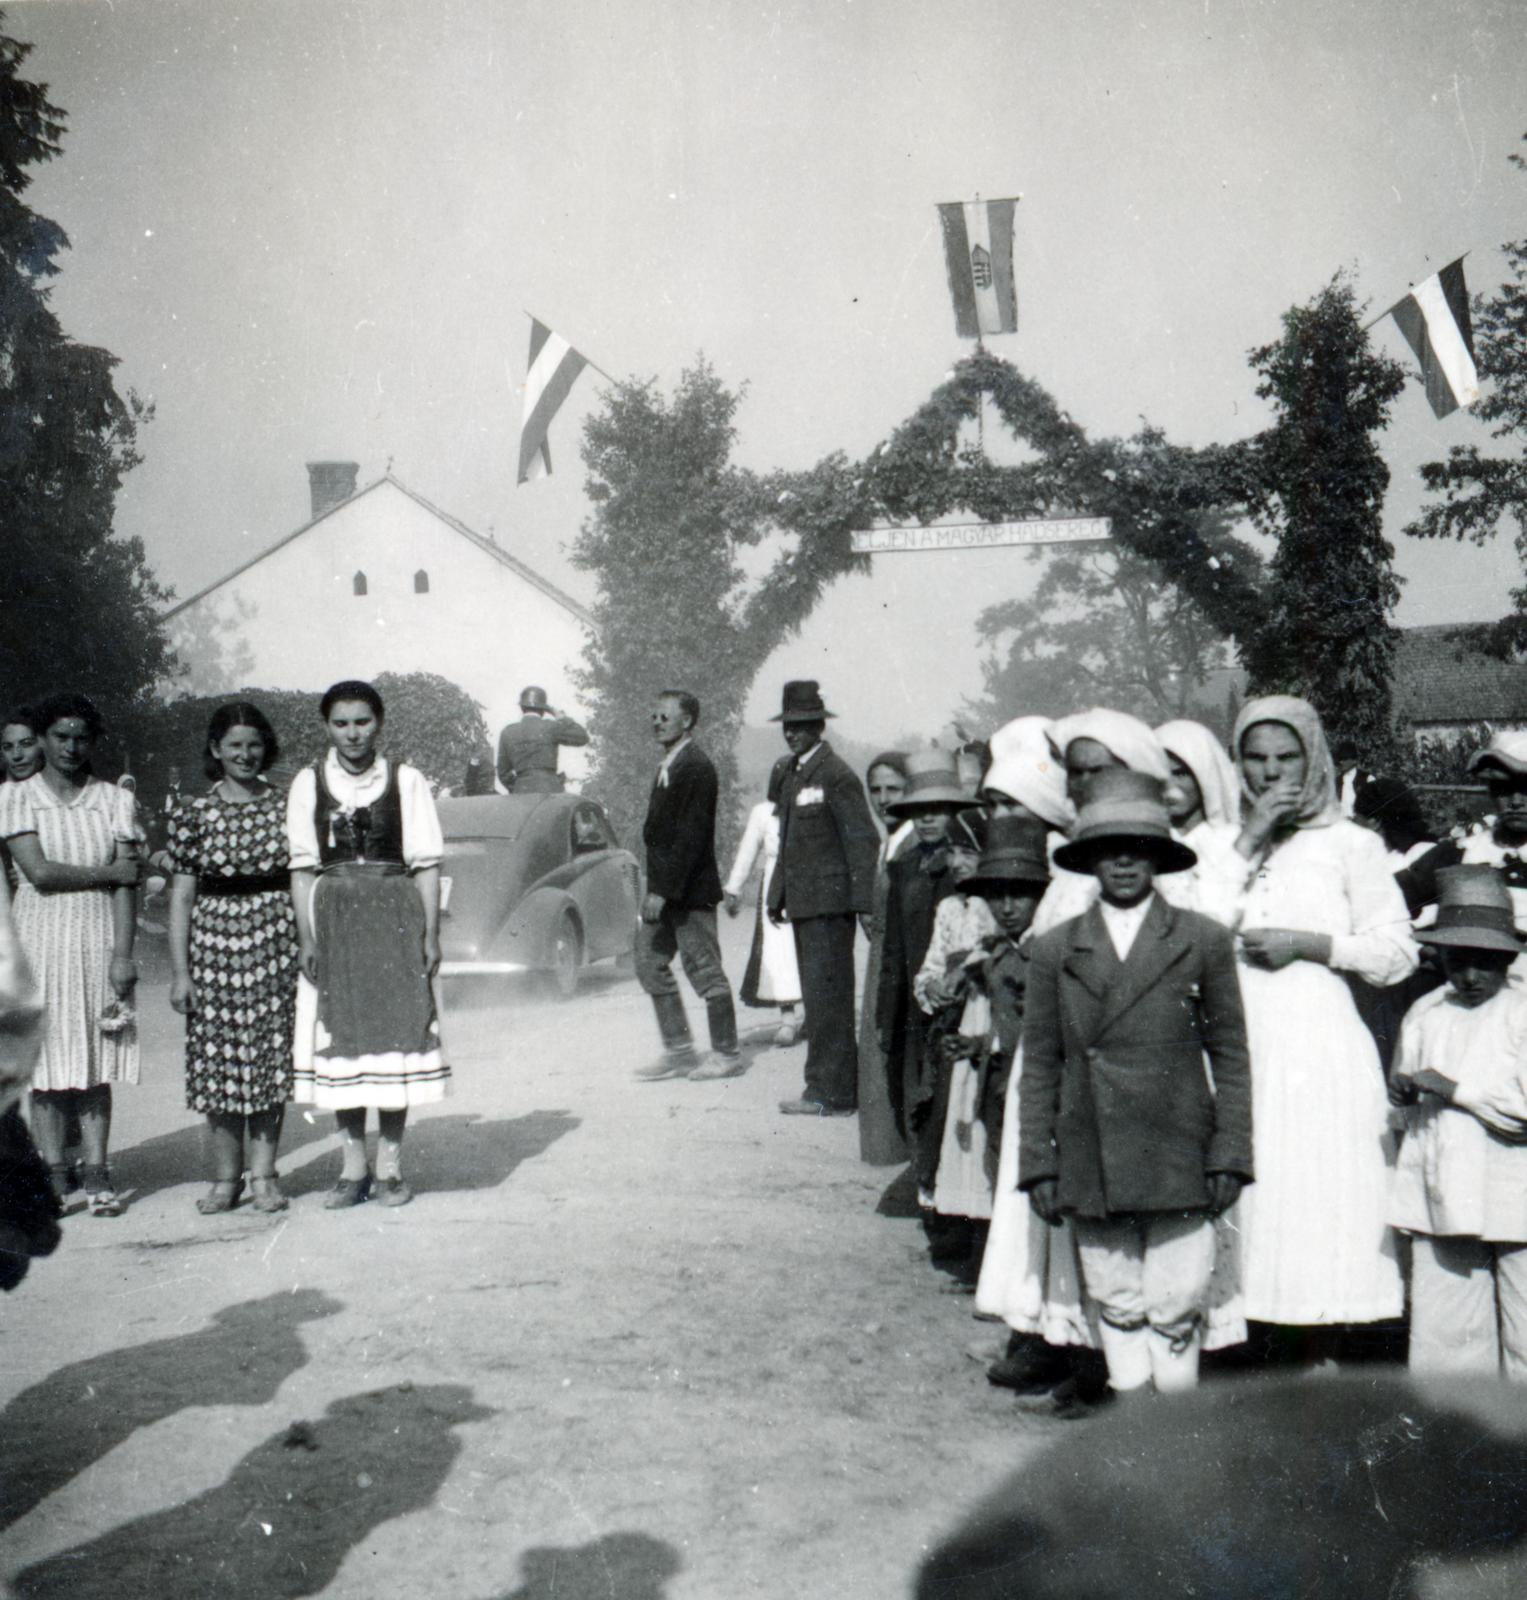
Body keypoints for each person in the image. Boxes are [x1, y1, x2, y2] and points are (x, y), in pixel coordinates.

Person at [1020, 770, 1253, 1397]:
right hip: (1092, 1147)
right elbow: (1040, 1062)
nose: (1124, 860)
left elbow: (1231, 1054)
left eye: (1138, 846)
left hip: (1179, 1147)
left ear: (1158, 856)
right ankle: (1133, 1430)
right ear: (1090, 859)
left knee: (1178, 1300)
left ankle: (1175, 1437)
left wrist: (1230, 1151)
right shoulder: (1055, 949)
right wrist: (1038, 1163)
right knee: (1114, 1294)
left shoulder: (1202, 940)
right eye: (1109, 847)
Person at [1229, 695, 1415, 1354]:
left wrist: (1311, 944)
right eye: (1255, 758)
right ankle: (1257, 1333)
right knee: (1255, 1187)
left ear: (1312, 760)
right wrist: (1244, 841)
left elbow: (1396, 954)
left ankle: (1327, 1336)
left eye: (1286, 757)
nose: (1270, 773)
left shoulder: (1350, 844)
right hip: (1238, 1041)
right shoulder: (1222, 844)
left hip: (1318, 1043)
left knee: (1318, 1183)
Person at [287, 680, 449, 1208]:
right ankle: (352, 1168)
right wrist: (306, 938)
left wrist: (429, 935)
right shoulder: (308, 783)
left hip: (394, 919)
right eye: (341, 723)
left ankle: (392, 1168)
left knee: (396, 1042)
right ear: (326, 726)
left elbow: (426, 865)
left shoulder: (407, 780)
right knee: (344, 1048)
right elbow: (302, 870)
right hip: (334, 923)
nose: (352, 733)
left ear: (378, 722)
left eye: (362, 721)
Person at [0, 693, 144, 1215]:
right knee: (48, 1066)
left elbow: (130, 887)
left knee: (95, 1060)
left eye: (82, 737)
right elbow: (38, 872)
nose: (71, 746)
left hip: (100, 939)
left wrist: (123, 955)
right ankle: (54, 1172)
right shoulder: (15, 798)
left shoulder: (115, 801)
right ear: (42, 739)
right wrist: (108, 873)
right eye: (60, 736)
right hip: (38, 941)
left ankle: (97, 1170)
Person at [1389, 867, 1527, 1379]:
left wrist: (1454, 1089)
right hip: (1445, 1190)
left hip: (1513, 1192)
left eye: (1485, 962)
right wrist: (1404, 1094)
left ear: (1509, 957)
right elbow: (1404, 1109)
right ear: (1439, 956)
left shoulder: (1520, 1011)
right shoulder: (1426, 1011)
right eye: (1458, 960)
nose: (1470, 976)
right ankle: (1459, 1439)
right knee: (1447, 1334)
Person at [167, 703, 299, 1215]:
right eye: (234, 746)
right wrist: (181, 972)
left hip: (275, 947)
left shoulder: (287, 807)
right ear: (216, 750)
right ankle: (226, 1178)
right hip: (213, 951)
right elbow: (181, 896)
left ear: (264, 749)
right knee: (218, 1063)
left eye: (253, 745)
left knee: (268, 1061)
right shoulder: (193, 813)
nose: (245, 755)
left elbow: (301, 881)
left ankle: (264, 1173)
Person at [919, 815, 1049, 1248]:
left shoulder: (1014, 916)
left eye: (968, 851)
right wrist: (936, 985)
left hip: (1001, 1019)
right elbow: (935, 964)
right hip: (970, 1020)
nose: (957, 862)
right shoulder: (953, 906)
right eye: (952, 852)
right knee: (969, 1121)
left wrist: (972, 966)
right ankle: (970, 1229)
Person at [766, 680, 880, 1117]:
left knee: (829, 999)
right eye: (788, 725)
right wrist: (777, 892)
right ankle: (826, 1087)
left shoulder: (837, 775)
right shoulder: (791, 773)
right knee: (817, 998)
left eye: (801, 725)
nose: (792, 733)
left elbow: (861, 843)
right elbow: (789, 838)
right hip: (805, 903)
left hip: (830, 908)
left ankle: (832, 1093)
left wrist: (865, 905)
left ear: (818, 724)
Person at [877, 752, 976, 1192]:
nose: (927, 821)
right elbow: (894, 948)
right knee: (913, 1084)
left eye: (936, 811)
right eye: (918, 812)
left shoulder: (965, 868)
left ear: (954, 812)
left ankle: (945, 1186)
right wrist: (888, 1008)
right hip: (913, 995)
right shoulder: (903, 866)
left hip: (954, 998)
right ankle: (924, 1179)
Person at [633, 690, 741, 1082]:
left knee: (705, 969)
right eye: (654, 716)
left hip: (689, 892)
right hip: (665, 890)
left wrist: (663, 891)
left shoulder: (695, 767)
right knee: (647, 961)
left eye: (666, 716)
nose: (657, 722)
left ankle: (727, 1054)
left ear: (688, 721)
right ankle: (679, 1052)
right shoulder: (670, 764)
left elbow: (691, 839)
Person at [857, 751, 913, 1165]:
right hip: (883, 959)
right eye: (874, 789)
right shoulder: (889, 841)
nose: (882, 798)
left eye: (893, 789)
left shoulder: (910, 842)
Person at [724, 757, 802, 1046]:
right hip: (775, 886)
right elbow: (747, 851)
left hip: (808, 883)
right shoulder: (762, 813)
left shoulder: (809, 810)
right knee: (779, 951)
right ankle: (788, 1020)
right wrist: (734, 888)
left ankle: (816, 1017)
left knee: (809, 949)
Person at [496, 686, 589, 794]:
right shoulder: (551, 726)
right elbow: (582, 737)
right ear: (544, 710)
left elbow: (503, 773)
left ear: (522, 707)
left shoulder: (507, 732)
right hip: (550, 790)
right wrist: (560, 716)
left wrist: (519, 786)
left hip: (521, 792)